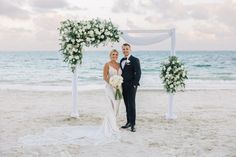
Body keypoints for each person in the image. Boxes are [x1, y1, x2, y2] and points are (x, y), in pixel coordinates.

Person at [19, 49, 122, 146]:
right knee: (110, 106)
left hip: (118, 88)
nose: (115, 56)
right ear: (110, 55)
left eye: (116, 54)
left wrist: (118, 84)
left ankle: (114, 124)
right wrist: (112, 83)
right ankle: (111, 127)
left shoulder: (119, 64)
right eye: (113, 54)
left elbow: (121, 76)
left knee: (116, 106)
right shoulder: (107, 65)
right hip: (110, 88)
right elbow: (105, 77)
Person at [120, 43, 141, 132]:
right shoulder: (121, 60)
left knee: (131, 104)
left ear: (130, 49)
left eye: (127, 49)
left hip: (132, 86)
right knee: (126, 104)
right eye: (123, 49)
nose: (125, 50)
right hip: (123, 85)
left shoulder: (135, 60)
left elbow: (138, 73)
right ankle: (128, 122)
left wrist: (134, 84)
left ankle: (133, 124)